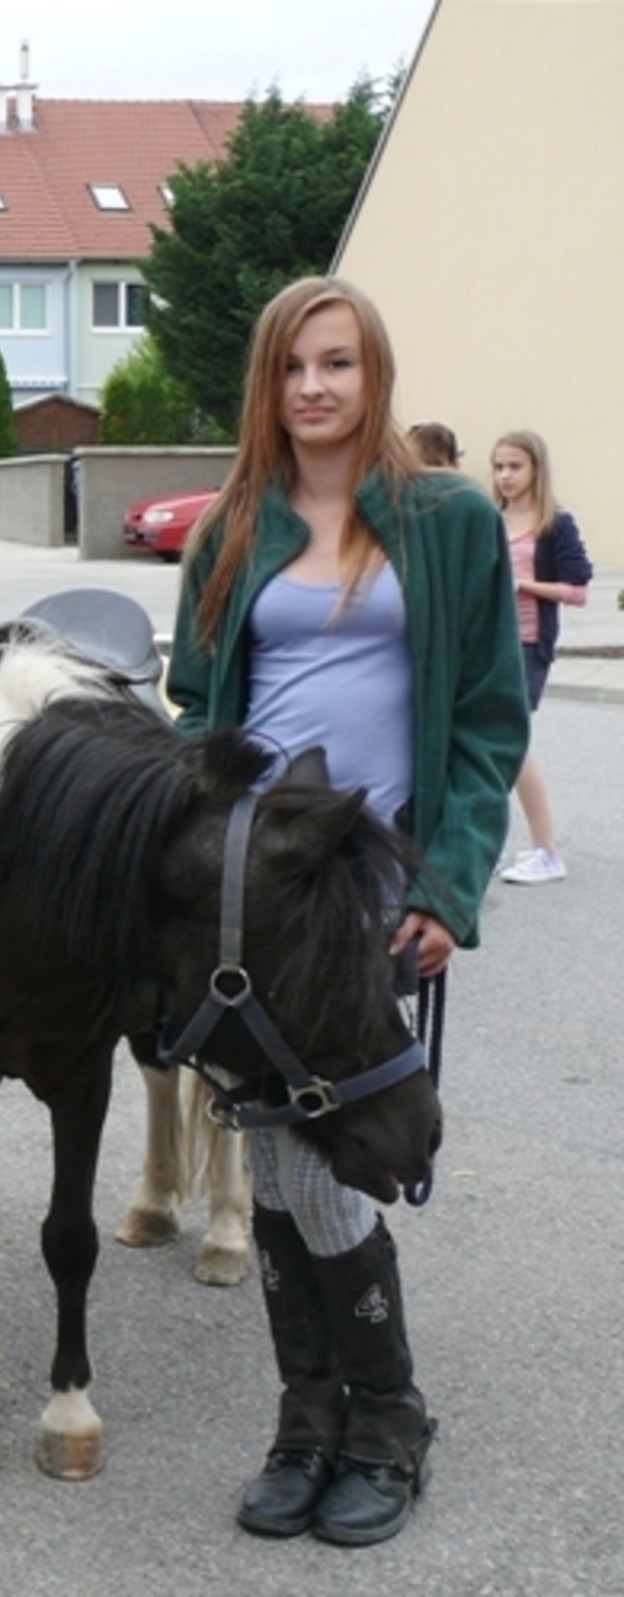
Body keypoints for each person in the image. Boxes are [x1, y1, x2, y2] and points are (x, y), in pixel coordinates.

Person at [167, 278, 527, 1548]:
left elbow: (488, 720)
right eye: (290, 369)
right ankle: (311, 1416)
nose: (313, 389)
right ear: (264, 386)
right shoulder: (229, 526)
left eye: (336, 364)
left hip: (374, 880)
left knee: (334, 1148)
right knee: (268, 1146)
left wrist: (449, 883)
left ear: (373, 374)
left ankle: (379, 1414)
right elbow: (194, 717)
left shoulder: (445, 520)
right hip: (252, 890)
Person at [489, 429, 592, 886]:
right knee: (485, 743)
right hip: (488, 644)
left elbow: (577, 590)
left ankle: (547, 851)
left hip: (528, 645)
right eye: (498, 467)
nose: (505, 476)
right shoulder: (489, 518)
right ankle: (488, 843)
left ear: (535, 470)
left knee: (513, 743)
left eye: (514, 466)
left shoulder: (555, 525)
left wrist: (523, 586)